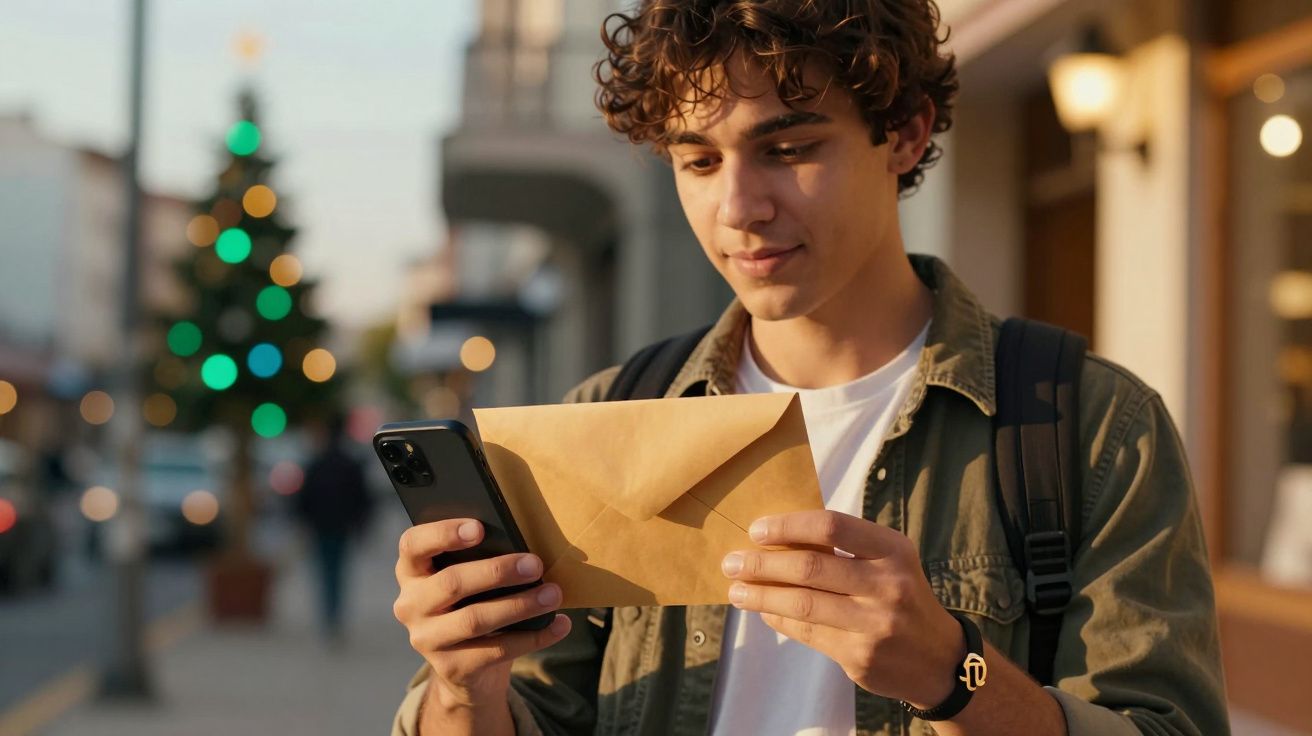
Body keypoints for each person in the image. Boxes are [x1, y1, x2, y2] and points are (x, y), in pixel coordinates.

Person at [390, 1, 1229, 734]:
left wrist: (956, 673)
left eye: (787, 149)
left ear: (906, 133)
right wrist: (462, 689)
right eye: (699, 161)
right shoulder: (610, 416)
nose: (739, 209)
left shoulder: (1090, 428)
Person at [294, 413, 373, 643]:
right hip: (341, 527)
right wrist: (361, 525)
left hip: (321, 527)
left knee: (325, 572)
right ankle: (334, 618)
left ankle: (329, 617)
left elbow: (303, 500)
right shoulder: (349, 463)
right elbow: (363, 499)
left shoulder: (316, 463)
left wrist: (303, 524)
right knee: (337, 573)